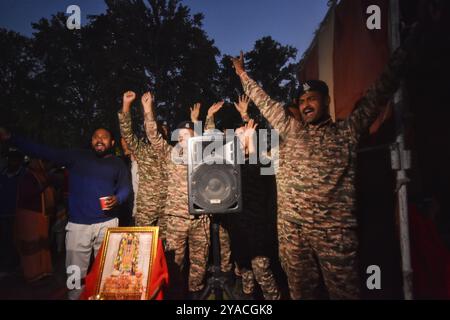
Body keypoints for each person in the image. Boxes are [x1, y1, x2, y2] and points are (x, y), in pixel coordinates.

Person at [231, 39, 412, 299]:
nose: (305, 104)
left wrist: (403, 51)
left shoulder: (345, 132)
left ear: (325, 101)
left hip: (333, 234)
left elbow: (377, 95)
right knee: (301, 293)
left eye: (312, 99)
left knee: (344, 293)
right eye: (302, 99)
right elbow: (265, 102)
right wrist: (242, 74)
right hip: (293, 233)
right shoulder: (292, 132)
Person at [0, 126, 132, 299]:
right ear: (91, 141)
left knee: (107, 267)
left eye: (104, 137)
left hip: (107, 224)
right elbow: (44, 151)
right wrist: (11, 138)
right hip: (78, 226)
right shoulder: (76, 156)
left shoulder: (117, 163)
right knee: (75, 271)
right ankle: (75, 296)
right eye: (95, 137)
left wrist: (118, 198)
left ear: (112, 142)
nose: (99, 139)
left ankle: (103, 295)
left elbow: (126, 188)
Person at [142, 91, 218, 299]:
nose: (184, 139)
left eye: (188, 135)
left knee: (200, 263)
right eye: (180, 136)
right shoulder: (170, 154)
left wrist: (208, 118)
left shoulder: (205, 156)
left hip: (201, 219)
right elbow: (154, 138)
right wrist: (149, 111)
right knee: (175, 264)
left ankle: (195, 296)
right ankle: (176, 295)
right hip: (176, 220)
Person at [205, 96, 281, 300]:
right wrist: (209, 118)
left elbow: (258, 173)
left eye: (244, 134)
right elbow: (210, 144)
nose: (241, 138)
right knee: (245, 273)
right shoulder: (231, 164)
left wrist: (249, 128)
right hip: (238, 229)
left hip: (259, 230)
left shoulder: (264, 159)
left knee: (262, 273)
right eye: (237, 136)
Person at [118, 91, 169, 239]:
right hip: (146, 208)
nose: (162, 131)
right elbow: (127, 134)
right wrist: (126, 106)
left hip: (167, 209)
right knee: (142, 245)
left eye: (165, 130)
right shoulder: (141, 150)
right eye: (159, 129)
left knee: (164, 248)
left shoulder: (172, 152)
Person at [15, 159, 55, 282]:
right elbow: (27, 195)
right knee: (32, 246)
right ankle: (32, 273)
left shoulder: (41, 176)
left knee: (41, 244)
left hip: (40, 215)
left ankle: (42, 270)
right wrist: (45, 185)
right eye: (44, 162)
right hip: (30, 216)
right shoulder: (28, 177)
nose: (47, 164)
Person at [0, 149, 25, 276]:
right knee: (5, 239)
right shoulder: (3, 173)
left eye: (15, 159)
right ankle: (7, 264)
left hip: (17, 213)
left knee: (14, 239)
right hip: (3, 212)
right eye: (10, 159)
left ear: (20, 161)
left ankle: (13, 264)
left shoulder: (24, 175)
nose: (12, 161)